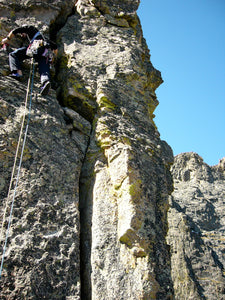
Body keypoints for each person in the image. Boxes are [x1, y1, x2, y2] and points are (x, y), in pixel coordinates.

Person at [1, 24, 58, 96]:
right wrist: (53, 59)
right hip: (45, 53)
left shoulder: (30, 28)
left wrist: (7, 39)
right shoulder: (45, 39)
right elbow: (55, 48)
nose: (22, 35)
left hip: (36, 48)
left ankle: (17, 73)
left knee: (14, 55)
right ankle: (45, 82)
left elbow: (15, 30)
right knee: (44, 69)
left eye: (22, 33)